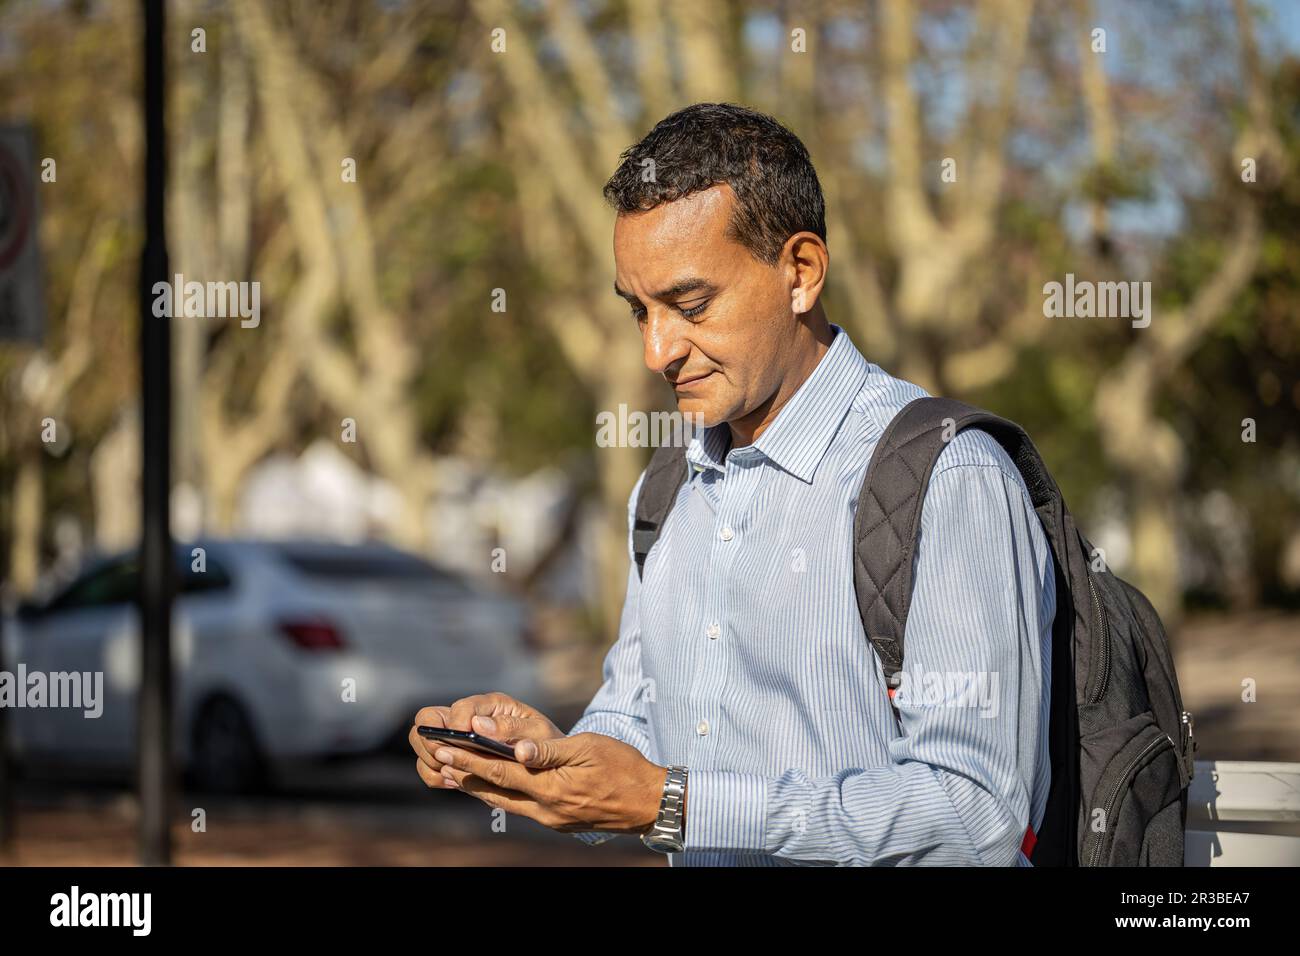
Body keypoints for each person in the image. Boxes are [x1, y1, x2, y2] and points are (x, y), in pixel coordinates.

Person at [411, 102, 1055, 866]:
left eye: (689, 305)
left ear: (801, 272)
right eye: (638, 311)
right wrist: (548, 760)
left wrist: (676, 805)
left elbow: (977, 814)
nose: (657, 352)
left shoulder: (949, 477)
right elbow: (637, 730)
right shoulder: (664, 489)